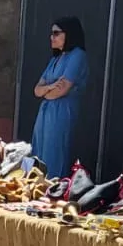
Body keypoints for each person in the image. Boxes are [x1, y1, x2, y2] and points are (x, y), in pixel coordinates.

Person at [31, 16, 89, 175]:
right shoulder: (55, 59)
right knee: (39, 151)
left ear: (69, 34)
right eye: (51, 34)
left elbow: (61, 90)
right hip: (45, 112)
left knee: (55, 151)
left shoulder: (77, 55)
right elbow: (37, 90)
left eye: (56, 33)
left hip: (63, 111)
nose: (52, 37)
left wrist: (46, 92)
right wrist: (50, 87)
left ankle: (54, 186)